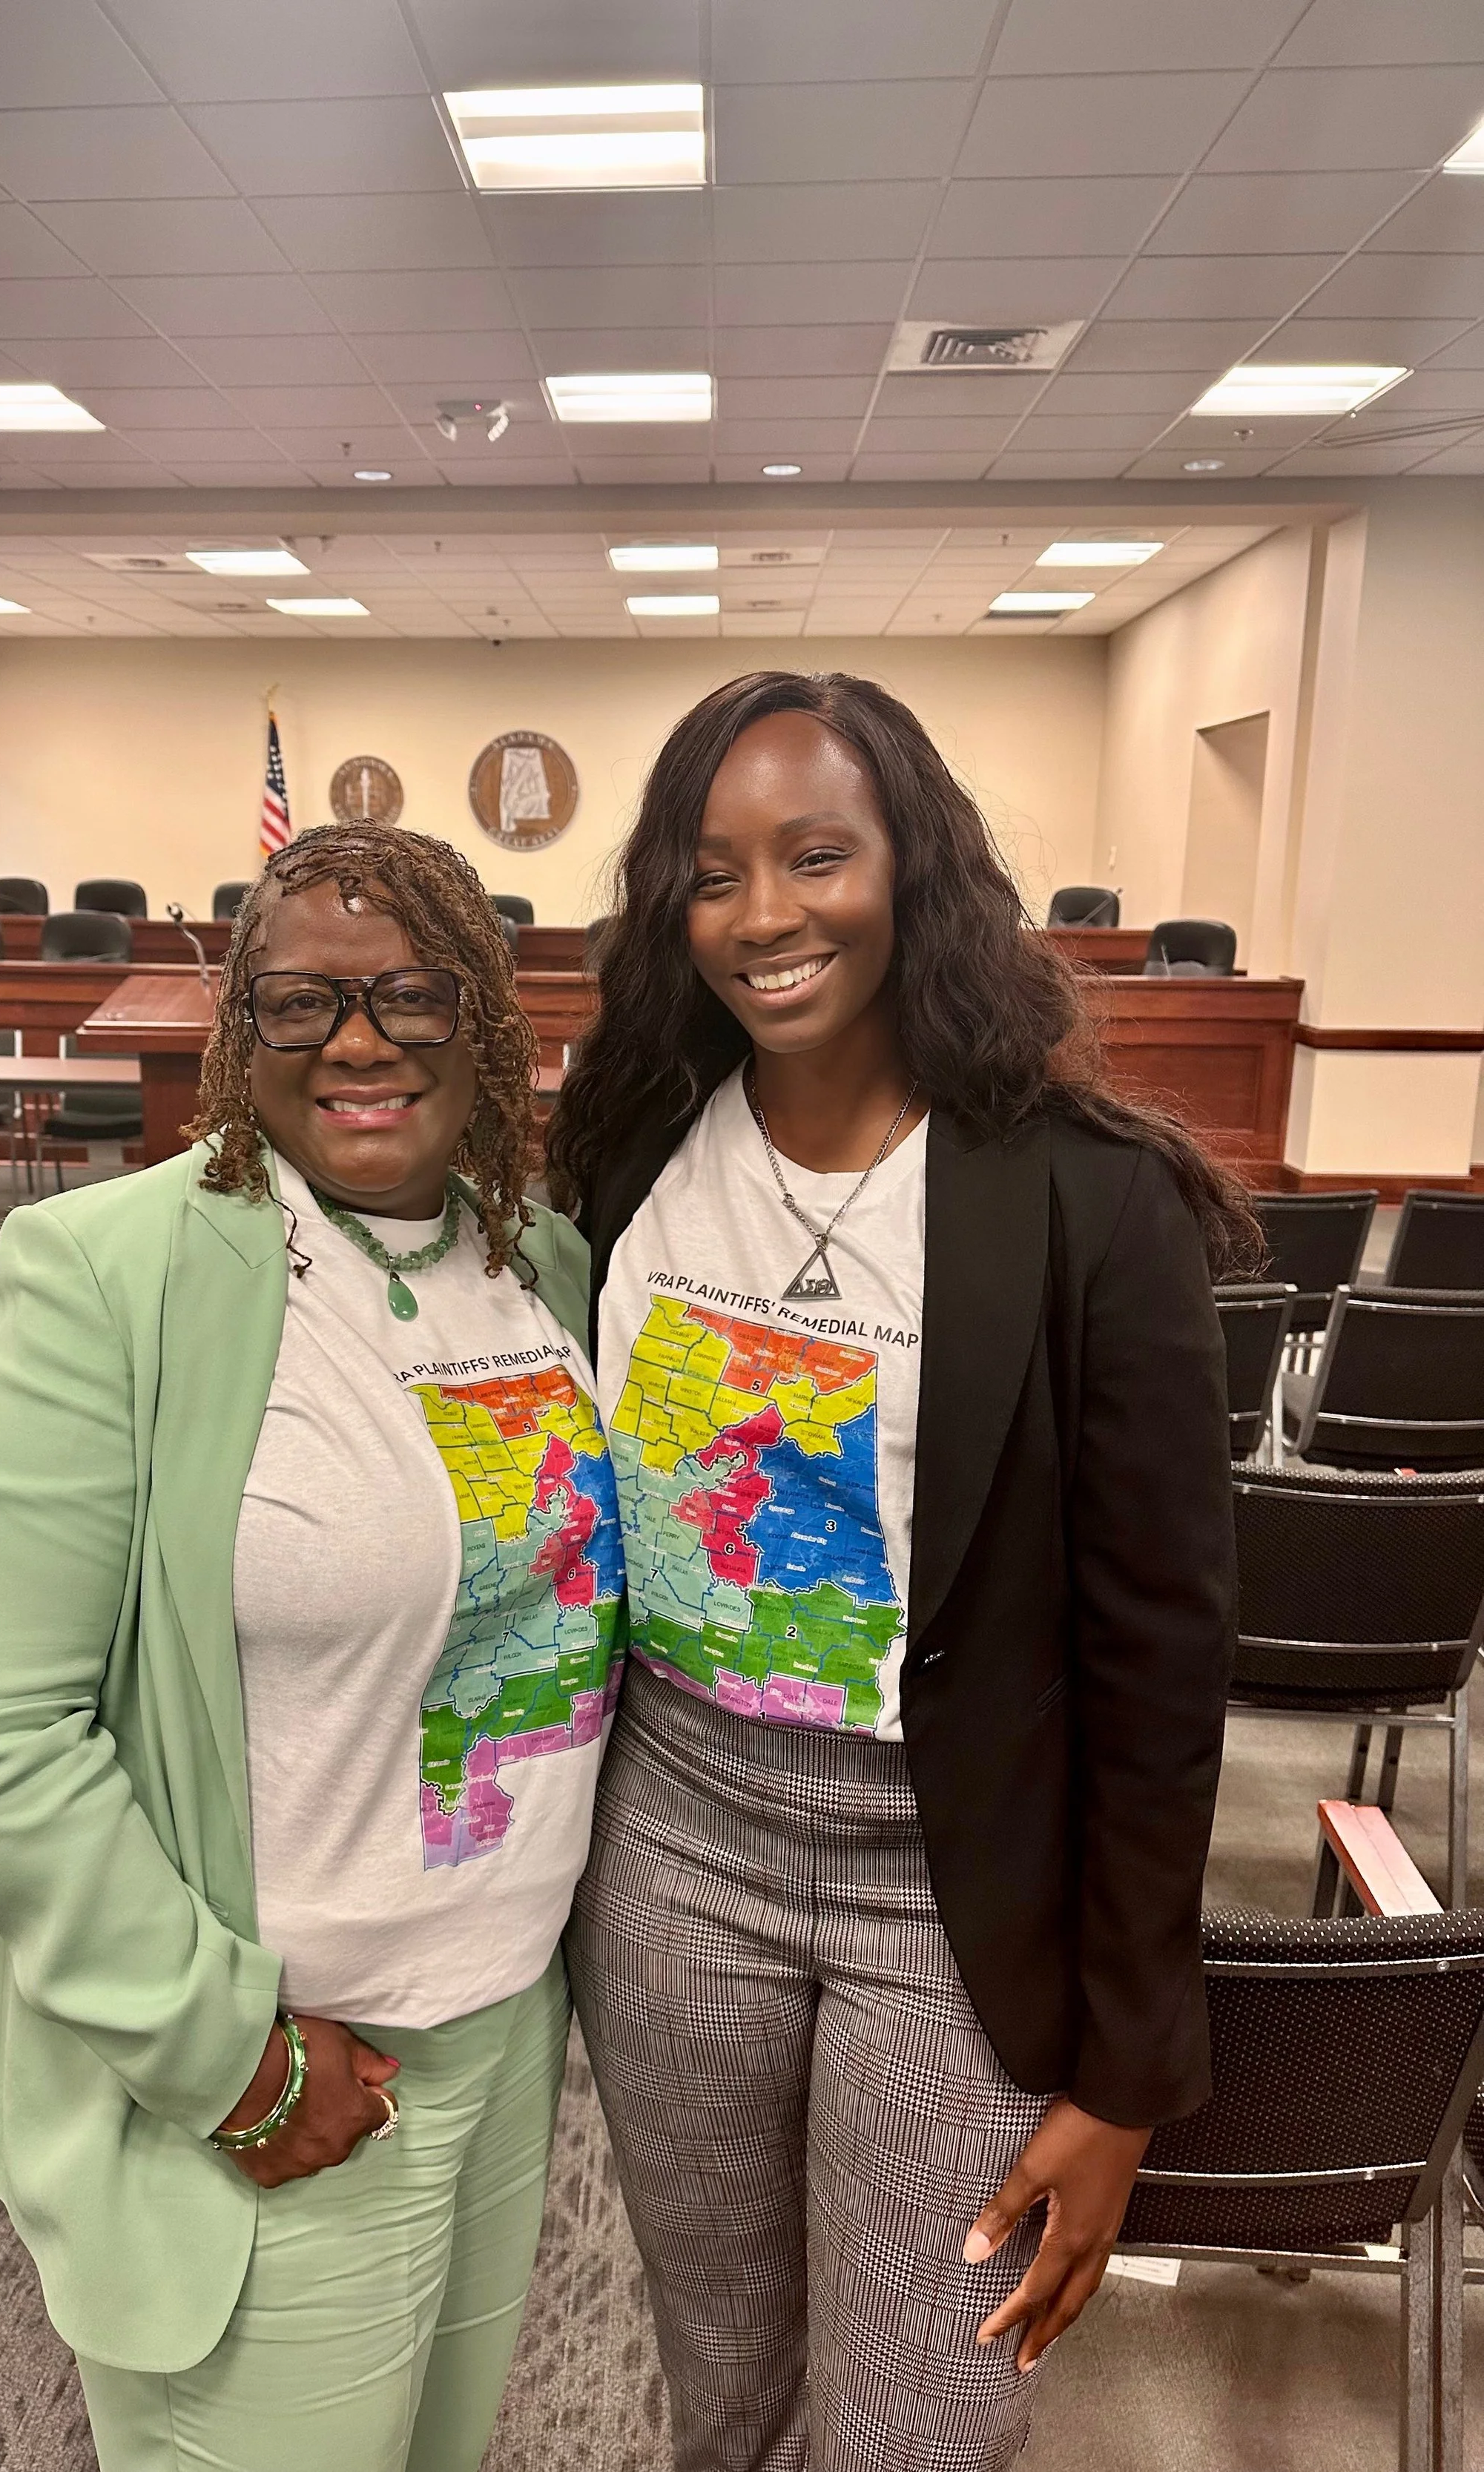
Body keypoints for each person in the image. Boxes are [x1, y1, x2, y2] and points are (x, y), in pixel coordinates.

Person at [544, 670, 1252, 2472]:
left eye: (814, 856)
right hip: (678, 1845)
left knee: (921, 2421)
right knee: (730, 2390)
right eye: (713, 873)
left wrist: (1122, 2078)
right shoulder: (632, 1144)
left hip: (951, 1885)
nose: (764, 915)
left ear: (913, 867)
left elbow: (1164, 1661)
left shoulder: (1087, 1199)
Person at [0, 823, 625, 2472]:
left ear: (484, 1025)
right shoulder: (110, 1271)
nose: (356, 1042)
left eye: (410, 996)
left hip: (499, 2028)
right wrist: (227, 2057)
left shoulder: (540, 1260)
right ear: (241, 1034)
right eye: (299, 1004)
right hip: (274, 2067)